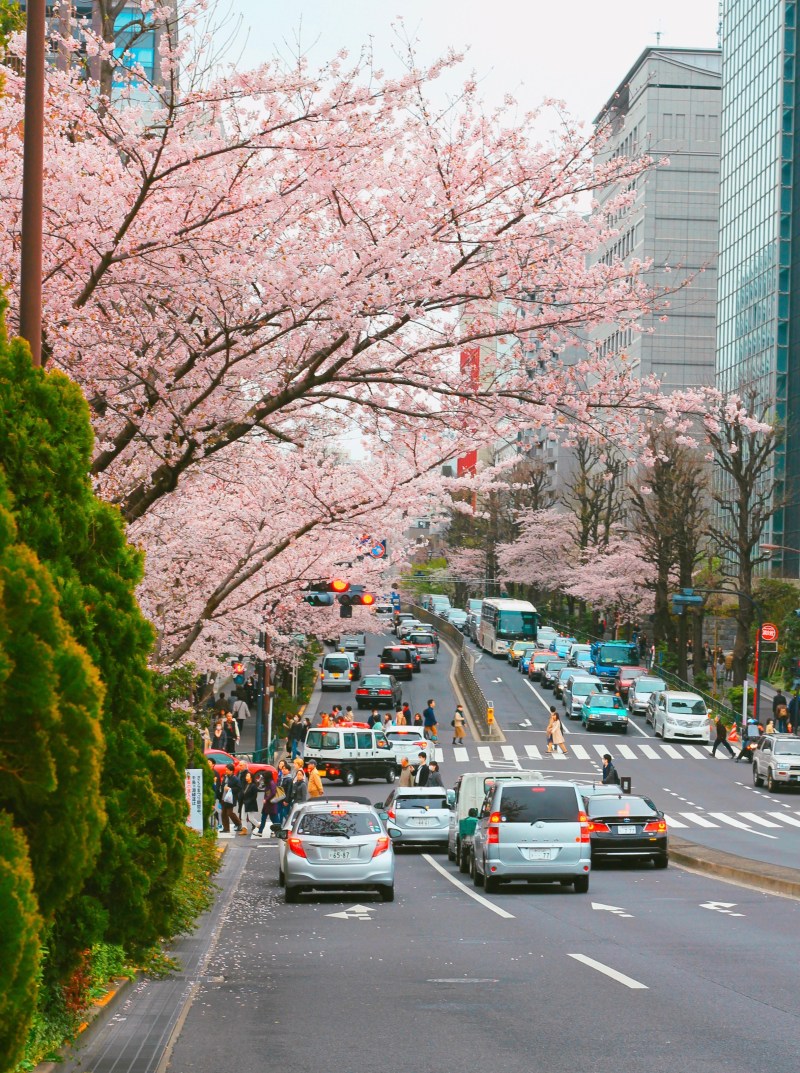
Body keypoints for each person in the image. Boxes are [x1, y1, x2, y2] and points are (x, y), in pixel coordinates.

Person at [220, 763, 243, 833]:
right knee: (223, 813)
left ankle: (238, 824)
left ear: (231, 771)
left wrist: (230, 789)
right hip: (224, 798)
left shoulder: (235, 779)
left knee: (229, 813)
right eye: (225, 770)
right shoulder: (225, 777)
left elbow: (239, 788)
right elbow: (222, 785)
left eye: (227, 770)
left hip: (230, 798)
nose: (226, 771)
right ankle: (226, 828)